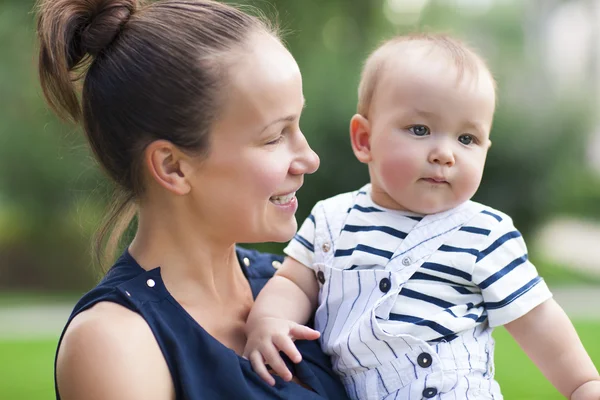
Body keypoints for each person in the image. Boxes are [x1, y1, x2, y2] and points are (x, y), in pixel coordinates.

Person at [244, 33, 600, 399]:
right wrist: (269, 320)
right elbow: (293, 282)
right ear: (364, 140)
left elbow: (537, 318)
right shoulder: (331, 220)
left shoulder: (484, 233)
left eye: (467, 139)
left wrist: (582, 384)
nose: (445, 153)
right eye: (420, 130)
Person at [36, 0, 350, 398]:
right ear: (173, 167)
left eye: (298, 125)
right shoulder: (117, 344)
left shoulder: (298, 291)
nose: (309, 159)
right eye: (274, 137)